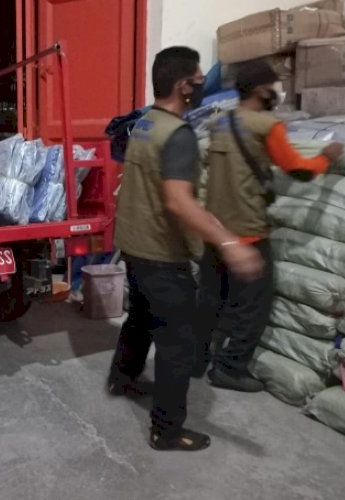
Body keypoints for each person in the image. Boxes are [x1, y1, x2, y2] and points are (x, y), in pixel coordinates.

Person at [107, 46, 264, 452]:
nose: (202, 85)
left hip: (135, 242)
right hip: (161, 251)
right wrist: (229, 243)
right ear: (183, 85)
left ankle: (122, 378)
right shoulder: (177, 135)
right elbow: (179, 201)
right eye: (197, 79)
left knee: (140, 315)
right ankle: (168, 431)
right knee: (177, 344)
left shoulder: (145, 123)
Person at [197, 60, 343, 392]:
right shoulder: (267, 126)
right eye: (275, 86)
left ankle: (194, 359)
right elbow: (300, 171)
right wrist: (328, 157)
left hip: (215, 231)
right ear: (263, 90)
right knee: (254, 307)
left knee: (209, 300)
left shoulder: (219, 122)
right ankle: (230, 368)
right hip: (248, 232)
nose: (277, 92)